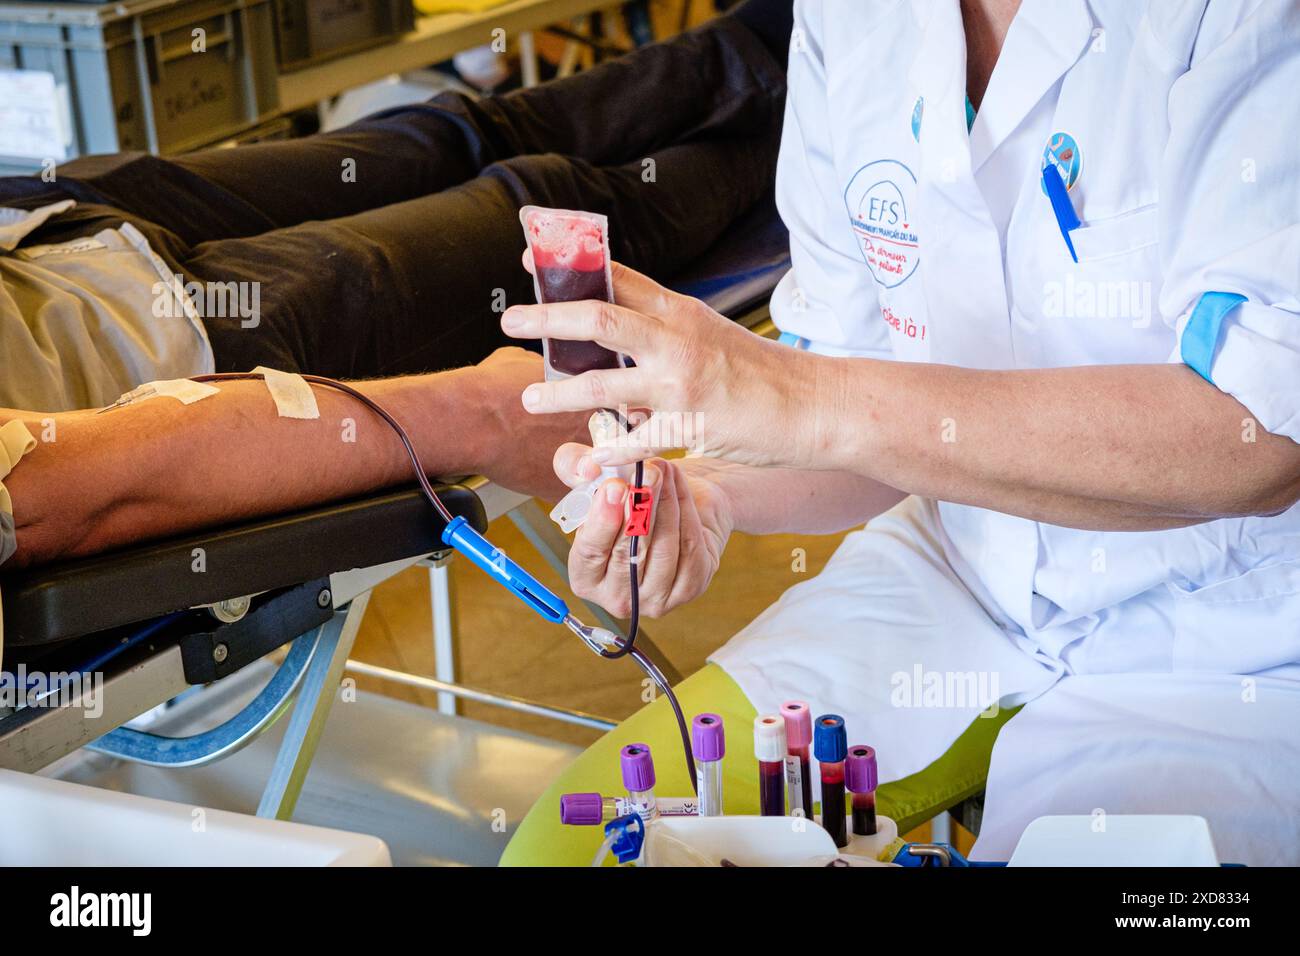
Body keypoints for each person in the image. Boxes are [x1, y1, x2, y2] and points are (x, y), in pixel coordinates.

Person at [502, 0, 1300, 864]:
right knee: (571, 851)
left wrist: (797, 396)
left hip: (1240, 642)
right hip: (954, 575)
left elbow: (1260, 438)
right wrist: (714, 498)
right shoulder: (849, 17)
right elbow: (863, 406)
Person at [0, 2, 793, 570]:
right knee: (543, 206)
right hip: (146, 366)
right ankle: (806, 142)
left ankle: (785, 33)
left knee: (455, 133)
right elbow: (55, 490)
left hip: (33, 230)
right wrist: (479, 414)